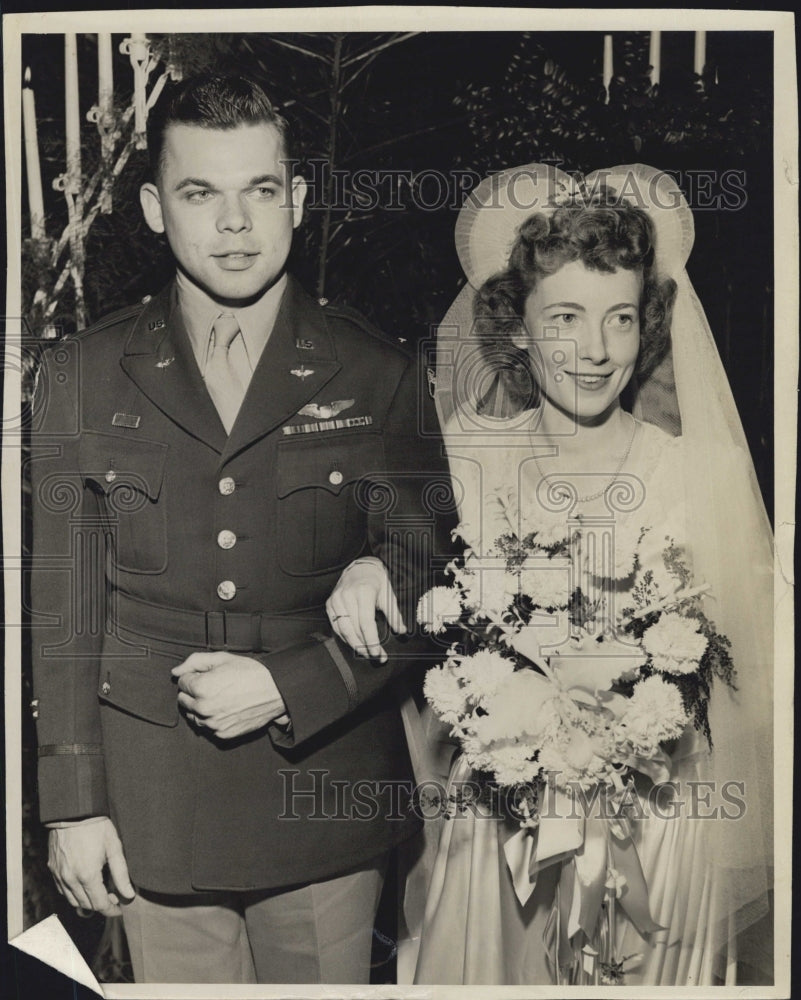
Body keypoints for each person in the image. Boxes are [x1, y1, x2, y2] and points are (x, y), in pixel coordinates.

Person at [29, 72, 455, 985]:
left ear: (296, 200)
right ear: (152, 208)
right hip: (153, 801)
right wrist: (72, 807)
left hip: (323, 794)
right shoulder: (81, 376)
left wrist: (295, 679)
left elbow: (434, 579)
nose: (234, 224)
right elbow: (62, 612)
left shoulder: (375, 370)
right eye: (199, 193)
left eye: (259, 191)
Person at [329, 164, 774, 985]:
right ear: (518, 327)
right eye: (564, 317)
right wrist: (365, 563)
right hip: (492, 840)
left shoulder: (689, 473)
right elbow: (402, 570)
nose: (596, 350)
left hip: (653, 837)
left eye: (619, 317)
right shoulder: (462, 455)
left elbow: (753, 683)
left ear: (648, 326)